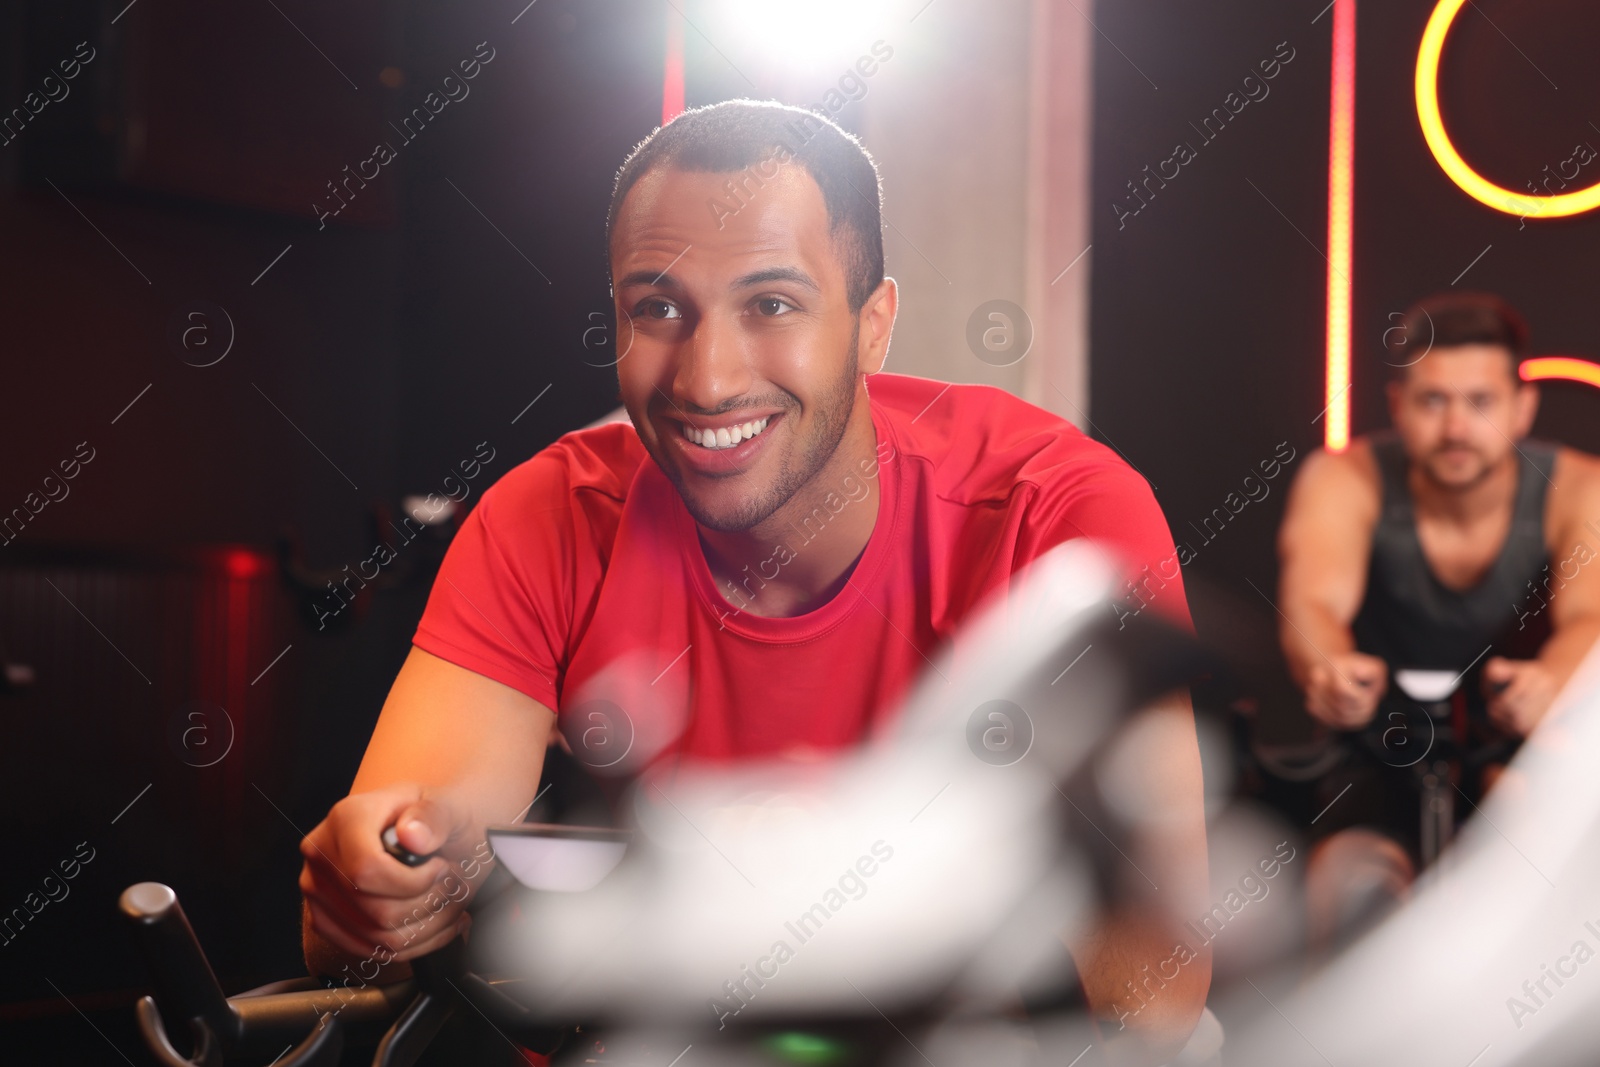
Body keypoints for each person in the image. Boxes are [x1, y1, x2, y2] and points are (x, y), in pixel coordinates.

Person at [297, 99, 1210, 1060]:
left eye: (770, 304)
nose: (707, 378)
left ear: (872, 326)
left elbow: (1157, 989)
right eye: (657, 308)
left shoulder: (1057, 515)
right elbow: (366, 919)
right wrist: (380, 888)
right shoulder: (550, 514)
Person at [1276, 291, 1600, 946]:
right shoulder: (1345, 478)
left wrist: (1552, 685)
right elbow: (1311, 604)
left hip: (1520, 748)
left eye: (1479, 402)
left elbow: (1590, 616)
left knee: (1536, 862)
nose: (1456, 427)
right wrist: (1329, 668)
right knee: (1346, 888)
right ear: (1398, 405)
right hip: (1378, 743)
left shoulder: (1578, 485)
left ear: (1521, 406)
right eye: (1433, 401)